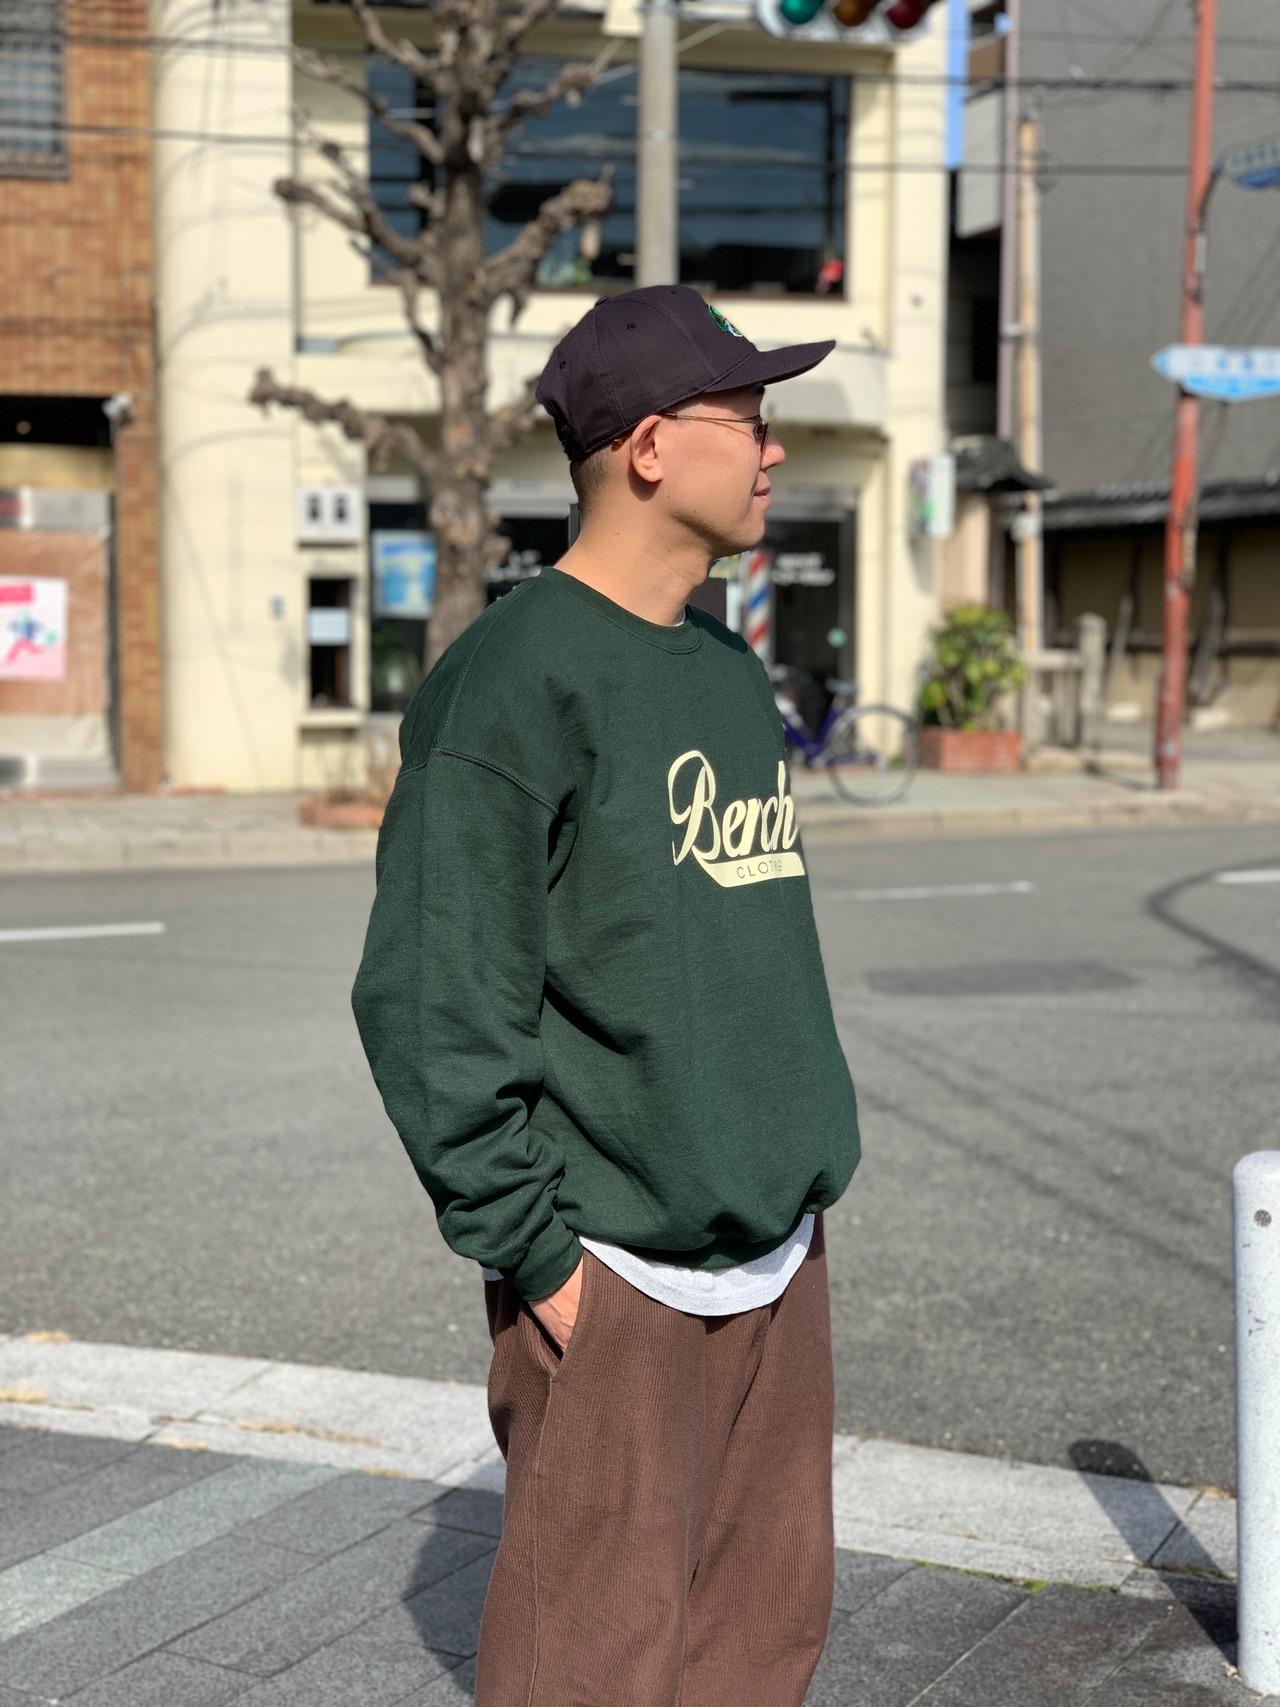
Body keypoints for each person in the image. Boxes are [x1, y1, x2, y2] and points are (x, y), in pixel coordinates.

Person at [351, 284, 861, 1707]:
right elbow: (432, 1006)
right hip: (616, 1267)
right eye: (747, 421)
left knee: (758, 1640)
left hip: (777, 1251)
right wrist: (546, 1267)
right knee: (590, 1666)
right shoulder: (510, 685)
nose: (773, 450)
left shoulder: (727, 674)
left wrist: (797, 1183)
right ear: (647, 447)